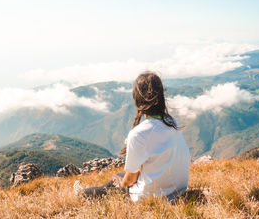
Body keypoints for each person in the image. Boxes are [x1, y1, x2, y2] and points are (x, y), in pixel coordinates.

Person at [74, 71, 191, 202]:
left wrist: (120, 190)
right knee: (118, 177)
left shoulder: (139, 134)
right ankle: (104, 188)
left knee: (116, 184)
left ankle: (82, 193)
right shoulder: (171, 122)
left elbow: (130, 179)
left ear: (137, 99)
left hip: (150, 197)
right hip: (178, 192)